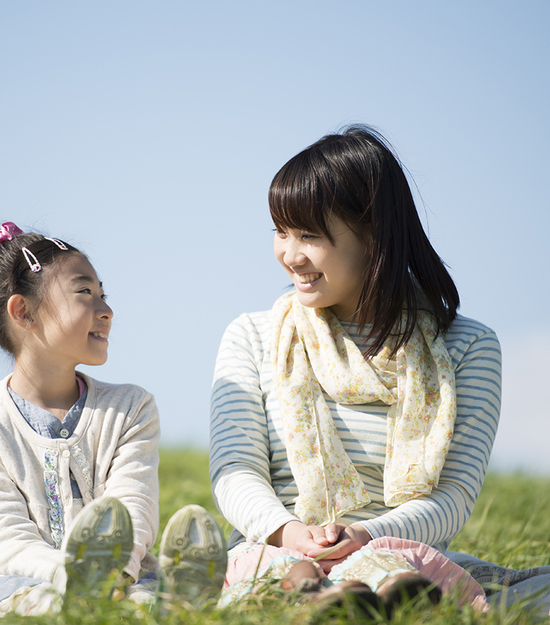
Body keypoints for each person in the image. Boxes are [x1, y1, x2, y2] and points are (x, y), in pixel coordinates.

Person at [209, 126, 499, 613]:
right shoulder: (253, 336)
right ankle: (315, 599)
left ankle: (381, 602)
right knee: (287, 575)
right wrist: (293, 534)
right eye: (281, 232)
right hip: (277, 547)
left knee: (390, 573)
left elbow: (453, 498)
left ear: (372, 236)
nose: (290, 255)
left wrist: (366, 534)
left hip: (399, 551)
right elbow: (235, 472)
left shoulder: (468, 347)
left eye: (310, 236)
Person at [0, 222, 226, 616]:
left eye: (103, 294)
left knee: (142, 596)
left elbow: (135, 507)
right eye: (85, 293)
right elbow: (3, 538)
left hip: (123, 579)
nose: (107, 310)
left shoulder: (130, 407)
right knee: (35, 601)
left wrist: (110, 576)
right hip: (13, 579)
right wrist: (74, 577)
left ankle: (173, 600)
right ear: (24, 312)